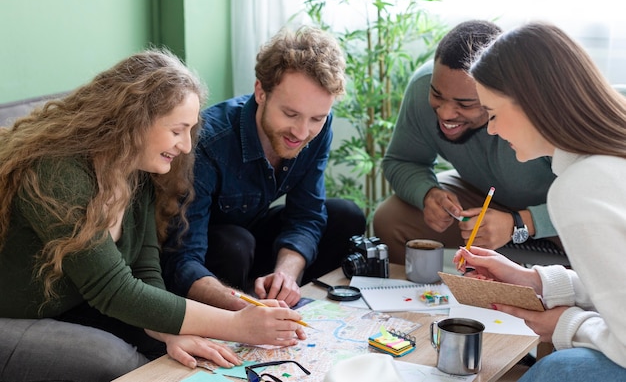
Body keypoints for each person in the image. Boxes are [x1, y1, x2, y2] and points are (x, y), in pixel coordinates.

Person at [0, 49, 307, 382]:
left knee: (179, 347)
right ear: (135, 121)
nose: (187, 146)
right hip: (9, 318)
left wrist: (170, 330)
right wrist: (237, 324)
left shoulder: (137, 170)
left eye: (190, 131)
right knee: (112, 359)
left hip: (66, 307)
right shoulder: (57, 173)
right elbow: (114, 290)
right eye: (177, 131)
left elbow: (145, 267)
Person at [455, 21, 626, 381]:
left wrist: (566, 324)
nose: (491, 130)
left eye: (495, 113)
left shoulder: (581, 187)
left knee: (559, 370)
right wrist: (535, 282)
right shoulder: (610, 161)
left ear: (534, 103)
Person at [161, 26, 366, 309]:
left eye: (317, 118)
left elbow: (306, 214)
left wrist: (286, 274)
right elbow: (182, 260)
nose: (302, 132)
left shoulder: (316, 129)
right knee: (235, 243)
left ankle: (294, 302)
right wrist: (249, 311)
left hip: (254, 245)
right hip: (212, 256)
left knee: (345, 215)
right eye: (290, 113)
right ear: (261, 92)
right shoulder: (206, 142)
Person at [372, 20, 560, 264]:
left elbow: (596, 202)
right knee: (391, 219)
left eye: (465, 104)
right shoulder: (422, 87)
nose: (446, 113)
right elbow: (402, 161)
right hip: (482, 197)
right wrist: (427, 194)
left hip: (560, 213)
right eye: (437, 95)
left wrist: (521, 222)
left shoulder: (546, 110)